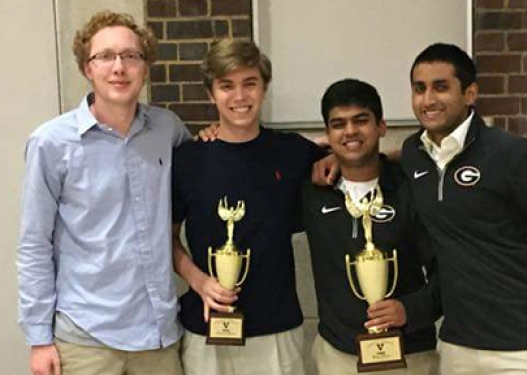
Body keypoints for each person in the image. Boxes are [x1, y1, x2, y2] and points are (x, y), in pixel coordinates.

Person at [18, 11, 190, 375]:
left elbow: (212, 169)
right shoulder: (51, 143)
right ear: (87, 69)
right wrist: (39, 339)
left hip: (157, 337)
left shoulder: (168, 130)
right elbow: (35, 244)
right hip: (84, 338)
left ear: (145, 68)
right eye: (105, 57)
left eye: (131, 56)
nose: (119, 67)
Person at [400, 43, 527, 375]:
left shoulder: (515, 157)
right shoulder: (414, 154)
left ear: (470, 93)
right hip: (458, 347)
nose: (428, 100)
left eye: (441, 87)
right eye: (420, 89)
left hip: (526, 350)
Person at [171, 39, 325, 375]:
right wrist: (199, 282)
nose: (239, 97)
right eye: (227, 86)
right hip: (207, 326)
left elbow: (359, 155)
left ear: (264, 88)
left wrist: (339, 162)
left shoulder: (293, 152)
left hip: (277, 328)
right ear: (211, 94)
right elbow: (166, 238)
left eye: (249, 84)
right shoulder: (187, 160)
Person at [302, 79, 439, 375]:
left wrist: (410, 310)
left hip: (410, 355)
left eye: (361, 120)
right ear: (328, 134)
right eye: (338, 124)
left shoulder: (411, 189)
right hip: (337, 357)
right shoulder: (313, 192)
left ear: (381, 126)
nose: (350, 131)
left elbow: (450, 270)